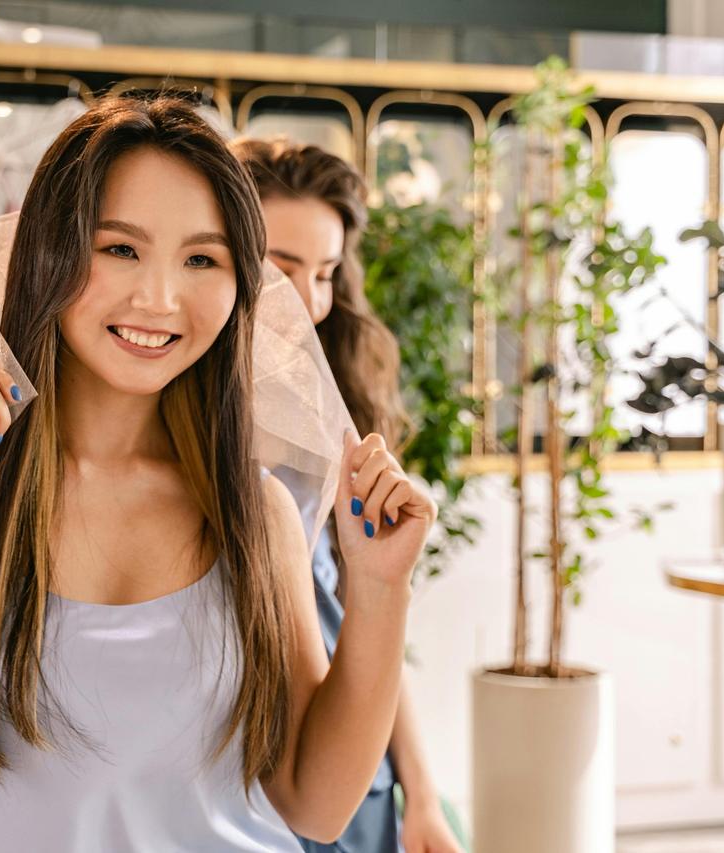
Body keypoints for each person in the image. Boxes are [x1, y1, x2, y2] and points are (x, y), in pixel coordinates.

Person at [0, 95, 435, 852]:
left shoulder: (255, 509)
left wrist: (381, 589)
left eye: (203, 259)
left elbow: (315, 804)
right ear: (49, 252)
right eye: (120, 248)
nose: (160, 299)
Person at [234, 136, 463, 853]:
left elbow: (364, 623)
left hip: (349, 767)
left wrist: (421, 795)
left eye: (327, 273)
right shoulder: (165, 427)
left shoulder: (332, 431)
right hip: (239, 774)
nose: (309, 300)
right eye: (282, 267)